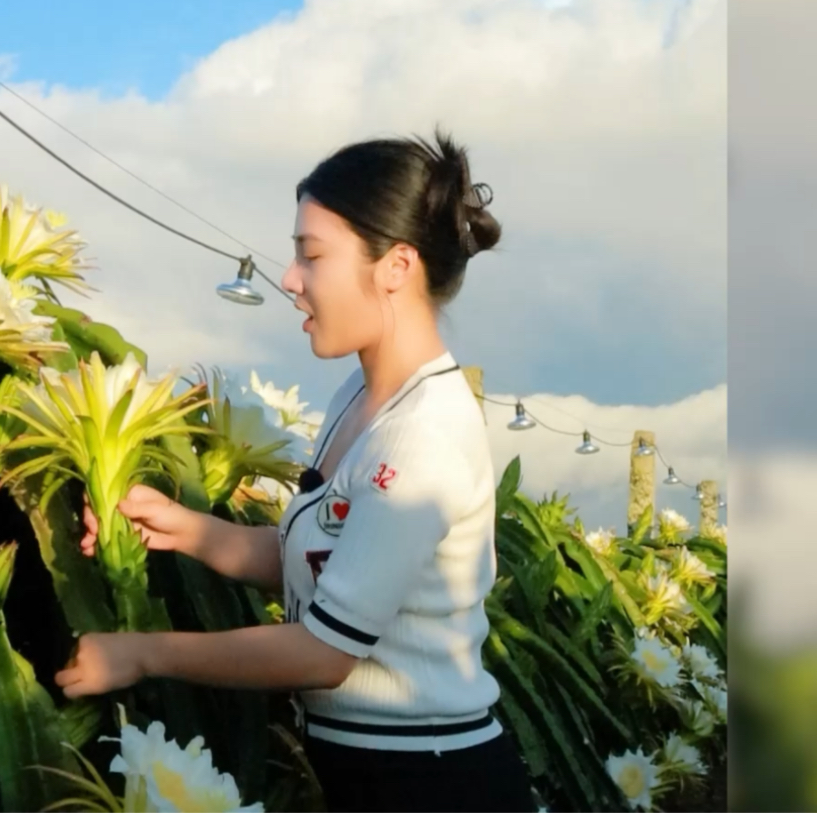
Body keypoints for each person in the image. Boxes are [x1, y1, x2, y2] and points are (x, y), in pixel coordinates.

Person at [55, 129, 535, 812]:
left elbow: (322, 654)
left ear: (394, 266)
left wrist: (141, 653)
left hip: (432, 785)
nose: (289, 277)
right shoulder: (360, 399)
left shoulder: (421, 436)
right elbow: (313, 558)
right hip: (376, 775)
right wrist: (180, 527)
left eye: (311, 254)